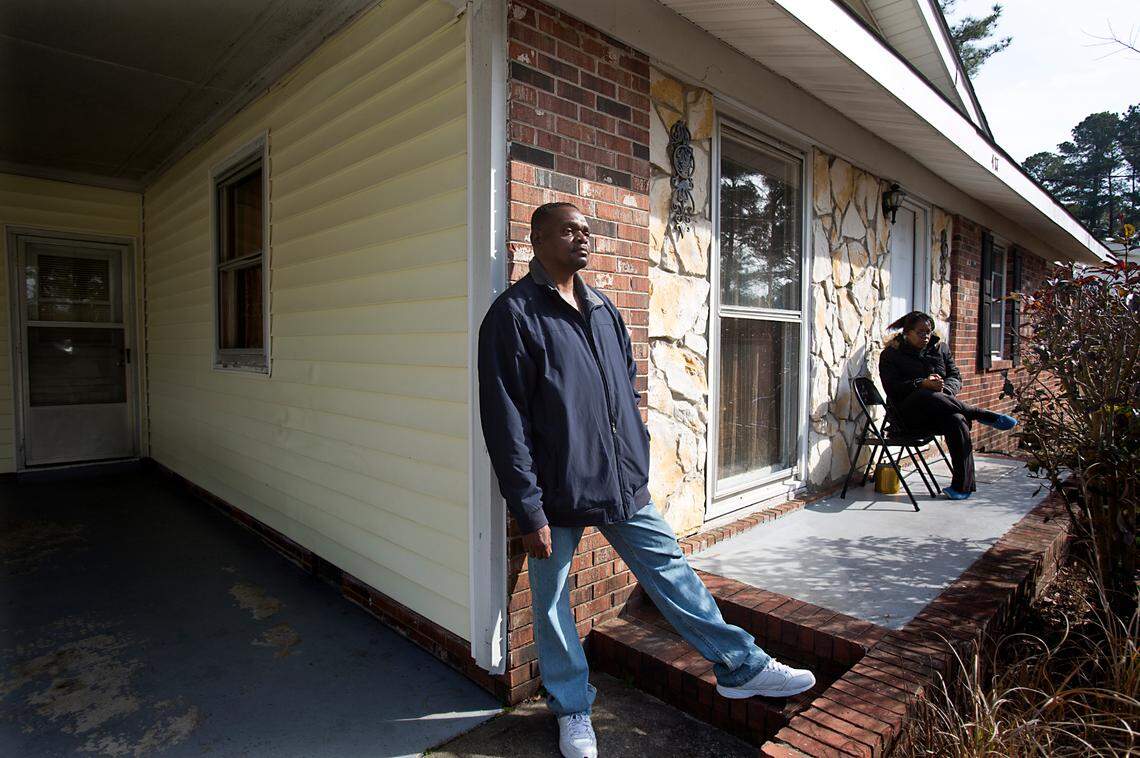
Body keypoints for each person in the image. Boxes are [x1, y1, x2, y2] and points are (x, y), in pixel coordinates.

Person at [478, 202, 815, 758]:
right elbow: (505, 422)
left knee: (674, 574)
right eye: (570, 230)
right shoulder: (513, 316)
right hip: (555, 495)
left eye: (587, 231)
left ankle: (742, 666)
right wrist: (528, 510)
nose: (583, 239)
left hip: (620, 485)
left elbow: (624, 392)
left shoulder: (603, 308)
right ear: (537, 238)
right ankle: (573, 708)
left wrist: (636, 457)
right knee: (554, 605)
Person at [878, 311, 1017, 500]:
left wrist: (945, 392)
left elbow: (955, 377)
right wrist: (921, 383)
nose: (926, 336)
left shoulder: (940, 349)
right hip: (908, 417)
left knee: (957, 420)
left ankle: (961, 487)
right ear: (907, 332)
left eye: (929, 332)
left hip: (939, 409)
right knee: (925, 393)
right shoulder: (891, 354)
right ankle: (978, 413)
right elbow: (892, 388)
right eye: (920, 332)